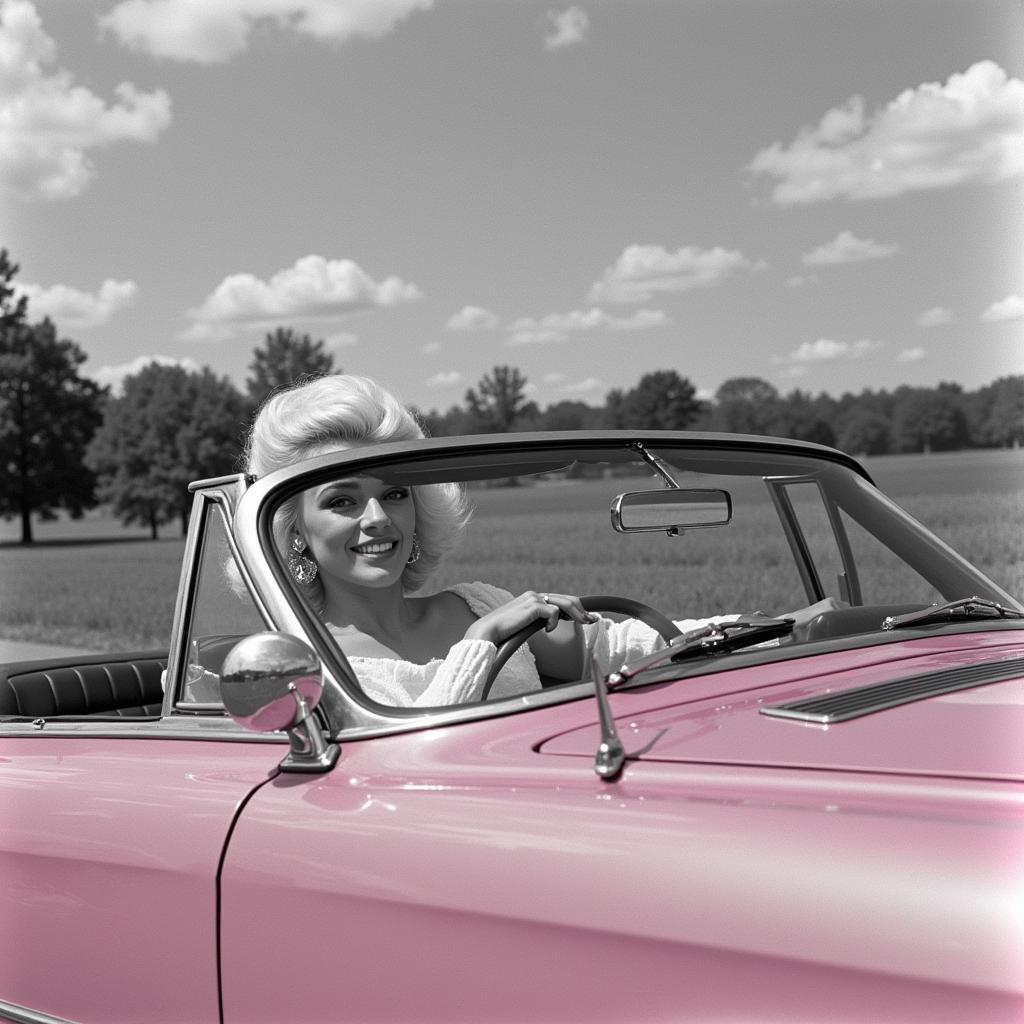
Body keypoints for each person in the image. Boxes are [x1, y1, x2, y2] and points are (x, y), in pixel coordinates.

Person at [243, 374, 818, 707]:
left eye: (395, 493)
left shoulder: (479, 605)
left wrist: (786, 626)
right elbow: (404, 762)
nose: (377, 519)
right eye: (341, 501)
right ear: (294, 531)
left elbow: (634, 648)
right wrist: (480, 645)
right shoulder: (296, 662)